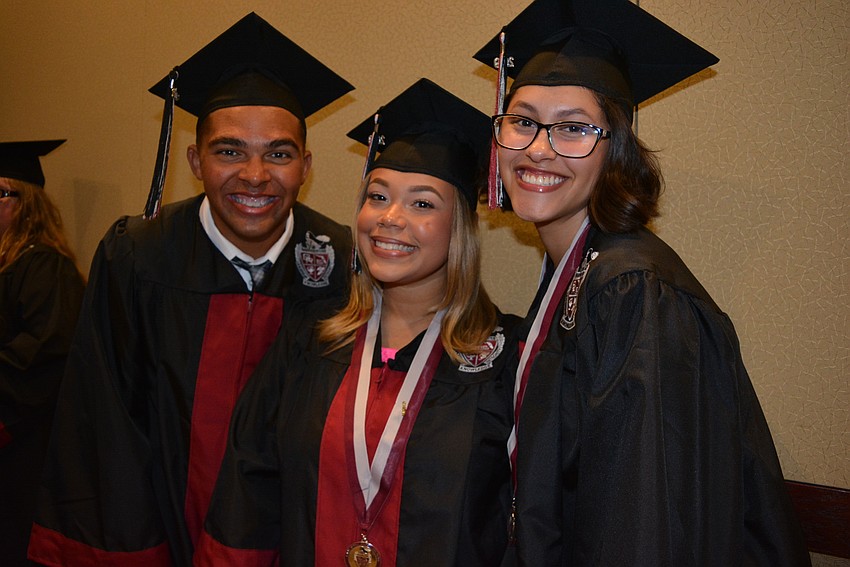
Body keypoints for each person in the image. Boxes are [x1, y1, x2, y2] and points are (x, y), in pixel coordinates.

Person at [473, 0, 811, 565]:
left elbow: (642, 519)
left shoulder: (633, 290)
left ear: (617, 149)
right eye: (523, 120)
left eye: (574, 128)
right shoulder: (575, 272)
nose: (538, 147)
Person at [27, 13, 354, 566]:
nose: (255, 175)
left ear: (306, 166)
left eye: (279, 153)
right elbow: (102, 419)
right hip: (155, 522)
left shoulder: (338, 259)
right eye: (229, 151)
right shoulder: (138, 254)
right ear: (194, 161)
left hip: (287, 532)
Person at [195, 78, 517, 566]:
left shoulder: (504, 361)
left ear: (461, 227)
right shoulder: (311, 338)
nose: (389, 218)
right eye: (378, 196)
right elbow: (250, 487)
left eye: (422, 203)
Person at [0, 140, 85, 567]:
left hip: (24, 441)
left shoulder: (44, 266)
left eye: (0, 192)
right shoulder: (8, 265)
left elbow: (45, 352)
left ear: (29, 202)